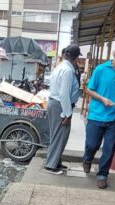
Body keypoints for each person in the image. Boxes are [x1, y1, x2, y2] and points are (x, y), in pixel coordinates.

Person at [83, 44, 115, 189]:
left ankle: (102, 175)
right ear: (114, 55)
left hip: (113, 118)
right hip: (96, 115)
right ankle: (87, 159)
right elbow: (89, 90)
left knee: (110, 149)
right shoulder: (100, 69)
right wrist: (103, 99)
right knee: (92, 145)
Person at [44, 44, 82, 175]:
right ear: (76, 58)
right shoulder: (67, 70)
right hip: (60, 105)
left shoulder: (61, 67)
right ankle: (51, 165)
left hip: (56, 103)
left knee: (59, 135)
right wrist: (67, 113)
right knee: (59, 135)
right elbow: (64, 93)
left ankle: (56, 162)